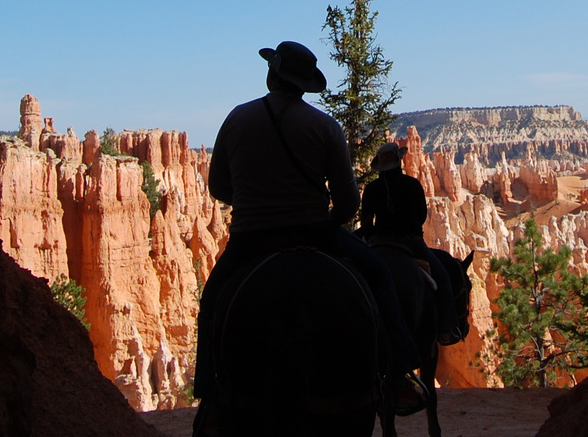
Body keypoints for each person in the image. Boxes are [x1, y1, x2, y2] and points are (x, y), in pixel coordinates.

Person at [195, 40, 425, 411]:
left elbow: (218, 188)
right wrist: (321, 221)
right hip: (314, 232)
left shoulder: (237, 118)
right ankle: (398, 373)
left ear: (273, 75)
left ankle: (208, 397)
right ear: (304, 84)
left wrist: (257, 204)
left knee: (212, 302)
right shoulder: (324, 126)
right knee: (379, 276)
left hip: (250, 241)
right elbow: (349, 203)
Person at [358, 141, 460, 342]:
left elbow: (366, 222)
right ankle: (445, 329)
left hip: (378, 243)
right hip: (410, 243)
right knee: (444, 279)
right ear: (399, 162)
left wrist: (371, 238)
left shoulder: (371, 189)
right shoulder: (412, 184)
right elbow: (421, 216)